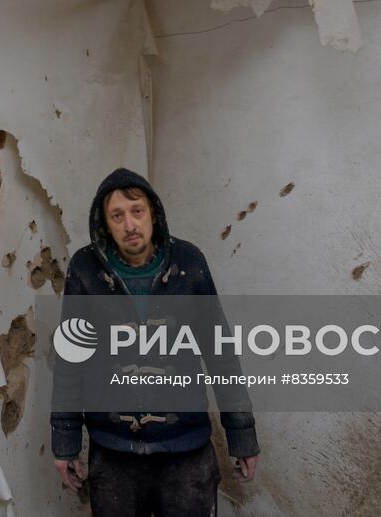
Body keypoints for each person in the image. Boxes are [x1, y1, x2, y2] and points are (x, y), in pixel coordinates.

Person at [52, 167, 259, 516]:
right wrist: (65, 443)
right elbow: (69, 363)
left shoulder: (189, 264)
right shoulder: (85, 270)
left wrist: (242, 436)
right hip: (113, 449)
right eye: (117, 215)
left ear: (154, 214)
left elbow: (221, 355)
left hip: (185, 449)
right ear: (104, 222)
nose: (130, 224)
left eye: (137, 212)